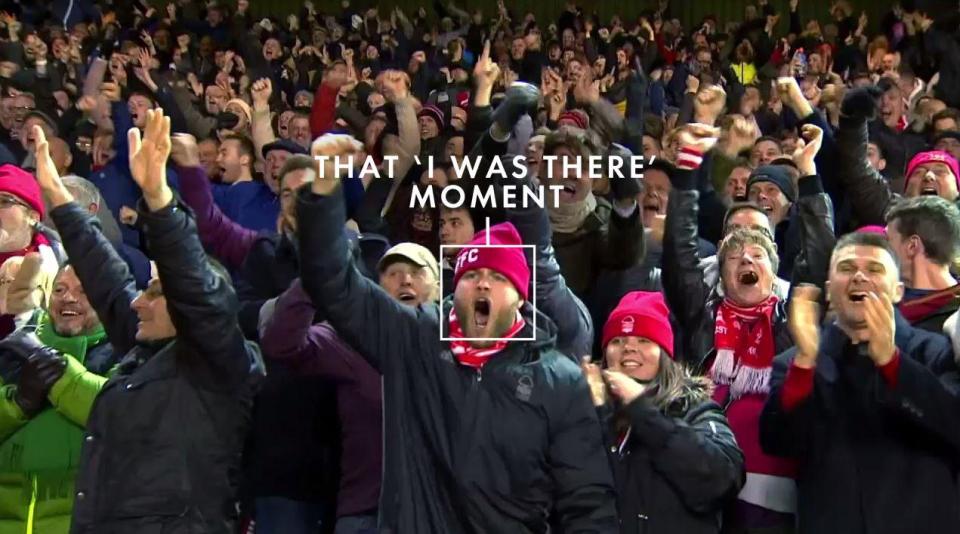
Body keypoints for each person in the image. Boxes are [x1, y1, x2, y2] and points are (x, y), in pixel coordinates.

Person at [296, 133, 618, 533]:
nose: (482, 284)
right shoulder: (413, 340)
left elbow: (586, 498)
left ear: (521, 296)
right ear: (455, 284)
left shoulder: (558, 379)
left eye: (498, 277)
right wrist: (325, 187)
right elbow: (333, 283)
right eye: (473, 275)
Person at [34, 112, 264, 532]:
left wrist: (160, 200)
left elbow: (194, 284)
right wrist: (60, 203)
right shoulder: (147, 352)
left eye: (156, 292)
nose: (139, 302)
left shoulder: (218, 363)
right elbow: (108, 280)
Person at [760, 233, 960, 534]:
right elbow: (778, 441)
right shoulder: (793, 362)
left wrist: (892, 362)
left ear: (898, 291)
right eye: (847, 268)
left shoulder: (934, 351)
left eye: (875, 269)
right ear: (829, 290)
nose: (859, 277)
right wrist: (804, 362)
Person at [260, 242, 440, 534]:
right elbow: (281, 345)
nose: (405, 280)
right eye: (393, 273)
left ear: (439, 285)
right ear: (377, 288)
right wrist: (314, 280)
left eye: (417, 272)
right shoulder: (351, 338)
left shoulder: (463, 342)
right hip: (367, 515)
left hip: (442, 514)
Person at [582, 290, 744, 534]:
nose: (628, 348)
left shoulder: (695, 409)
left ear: (664, 355)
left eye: (643, 340)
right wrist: (598, 412)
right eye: (617, 340)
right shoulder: (590, 412)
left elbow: (722, 479)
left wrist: (640, 408)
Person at [0, 265, 118, 534]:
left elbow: (117, 413)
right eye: (59, 289)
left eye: (84, 291)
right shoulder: (13, 351)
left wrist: (58, 374)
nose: (69, 298)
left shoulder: (125, 354)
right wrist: (18, 402)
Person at [885, 196, 960, 333]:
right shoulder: (883, 301)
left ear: (912, 246)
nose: (881, 251)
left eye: (888, 241)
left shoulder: (955, 325)